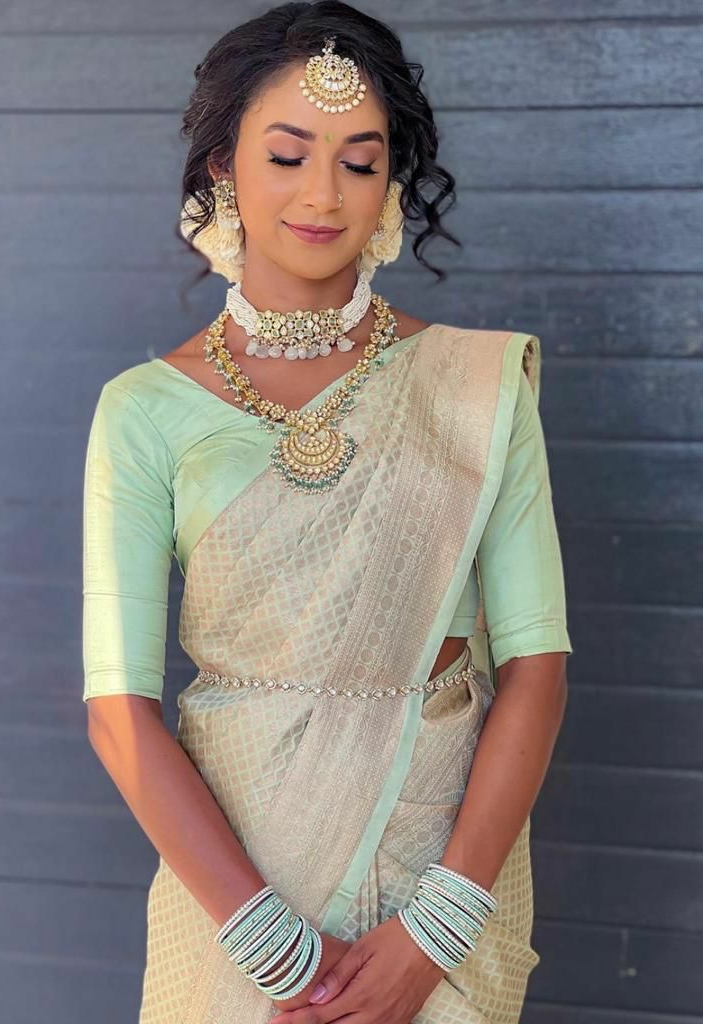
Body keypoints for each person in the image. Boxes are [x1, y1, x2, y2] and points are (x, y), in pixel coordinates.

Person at [81, 4, 572, 1023]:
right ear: (222, 167)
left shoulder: (474, 386)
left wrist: (433, 932)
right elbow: (118, 713)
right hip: (237, 896)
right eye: (287, 154)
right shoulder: (144, 410)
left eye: (359, 162)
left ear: (390, 184)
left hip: (439, 884)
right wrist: (278, 951)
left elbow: (536, 668)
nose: (322, 193)